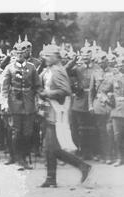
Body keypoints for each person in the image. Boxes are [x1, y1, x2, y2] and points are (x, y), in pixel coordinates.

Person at [39, 44, 91, 188]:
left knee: (51, 147)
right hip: (49, 111)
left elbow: (66, 90)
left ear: (56, 57)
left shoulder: (59, 71)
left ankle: (81, 167)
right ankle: (52, 178)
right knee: (50, 148)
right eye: (45, 56)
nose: (45, 58)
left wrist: (47, 94)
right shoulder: (48, 70)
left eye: (48, 56)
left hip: (57, 111)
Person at [1, 38, 42, 170]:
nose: (19, 55)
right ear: (13, 54)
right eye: (17, 53)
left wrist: (39, 101)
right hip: (14, 104)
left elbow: (37, 86)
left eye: (22, 53)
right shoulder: (9, 68)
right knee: (16, 132)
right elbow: (4, 88)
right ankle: (18, 159)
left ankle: (25, 156)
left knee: (28, 132)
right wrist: (5, 103)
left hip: (29, 104)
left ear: (25, 54)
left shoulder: (32, 67)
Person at [68, 40, 97, 160]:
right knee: (79, 128)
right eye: (84, 55)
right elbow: (66, 72)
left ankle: (90, 151)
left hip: (92, 100)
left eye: (88, 55)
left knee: (91, 128)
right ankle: (80, 150)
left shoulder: (97, 68)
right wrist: (73, 60)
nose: (86, 57)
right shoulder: (77, 68)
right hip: (79, 101)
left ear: (91, 56)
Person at [88, 50, 115, 164]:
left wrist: (111, 96)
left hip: (109, 105)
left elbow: (117, 88)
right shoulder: (95, 73)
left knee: (109, 131)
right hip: (98, 105)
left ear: (107, 61)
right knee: (100, 131)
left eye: (103, 60)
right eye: (100, 61)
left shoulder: (114, 72)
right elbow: (91, 91)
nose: (101, 62)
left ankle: (108, 155)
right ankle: (101, 154)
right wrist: (90, 106)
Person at [108, 56, 124, 166]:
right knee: (117, 135)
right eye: (118, 65)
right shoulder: (113, 79)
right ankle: (120, 157)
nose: (120, 67)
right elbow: (103, 91)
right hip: (117, 110)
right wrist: (108, 98)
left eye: (122, 65)